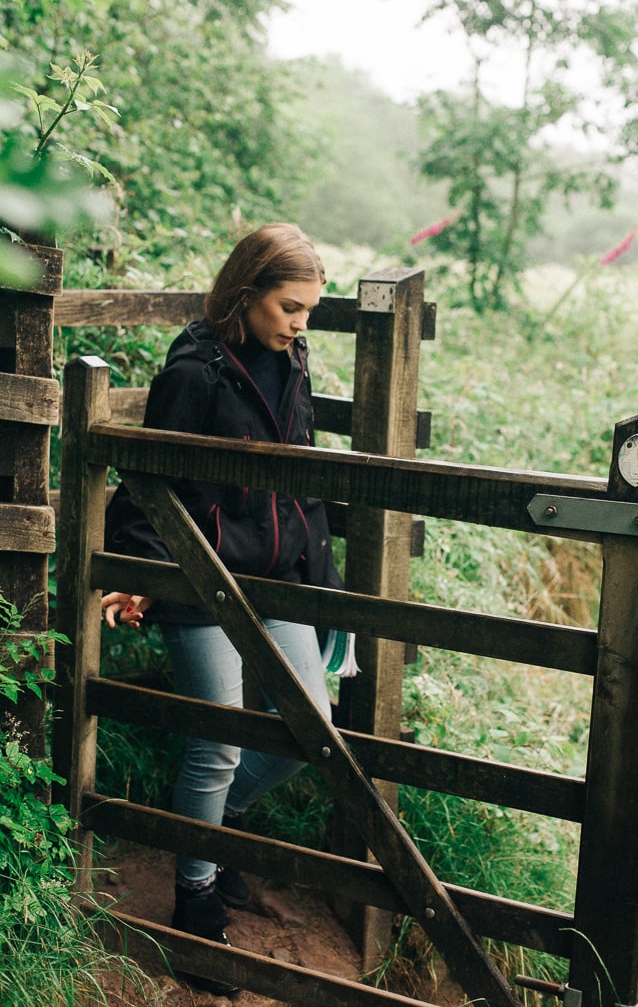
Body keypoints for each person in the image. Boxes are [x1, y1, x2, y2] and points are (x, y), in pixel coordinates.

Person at [101, 223, 352, 992]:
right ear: (246, 295)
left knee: (310, 729)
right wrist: (144, 572)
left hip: (278, 579)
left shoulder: (294, 359)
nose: (300, 324)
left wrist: (321, 575)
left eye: (308, 310)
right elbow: (150, 477)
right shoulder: (194, 372)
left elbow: (300, 470)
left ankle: (220, 822)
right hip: (201, 579)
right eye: (289, 307)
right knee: (216, 743)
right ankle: (196, 895)